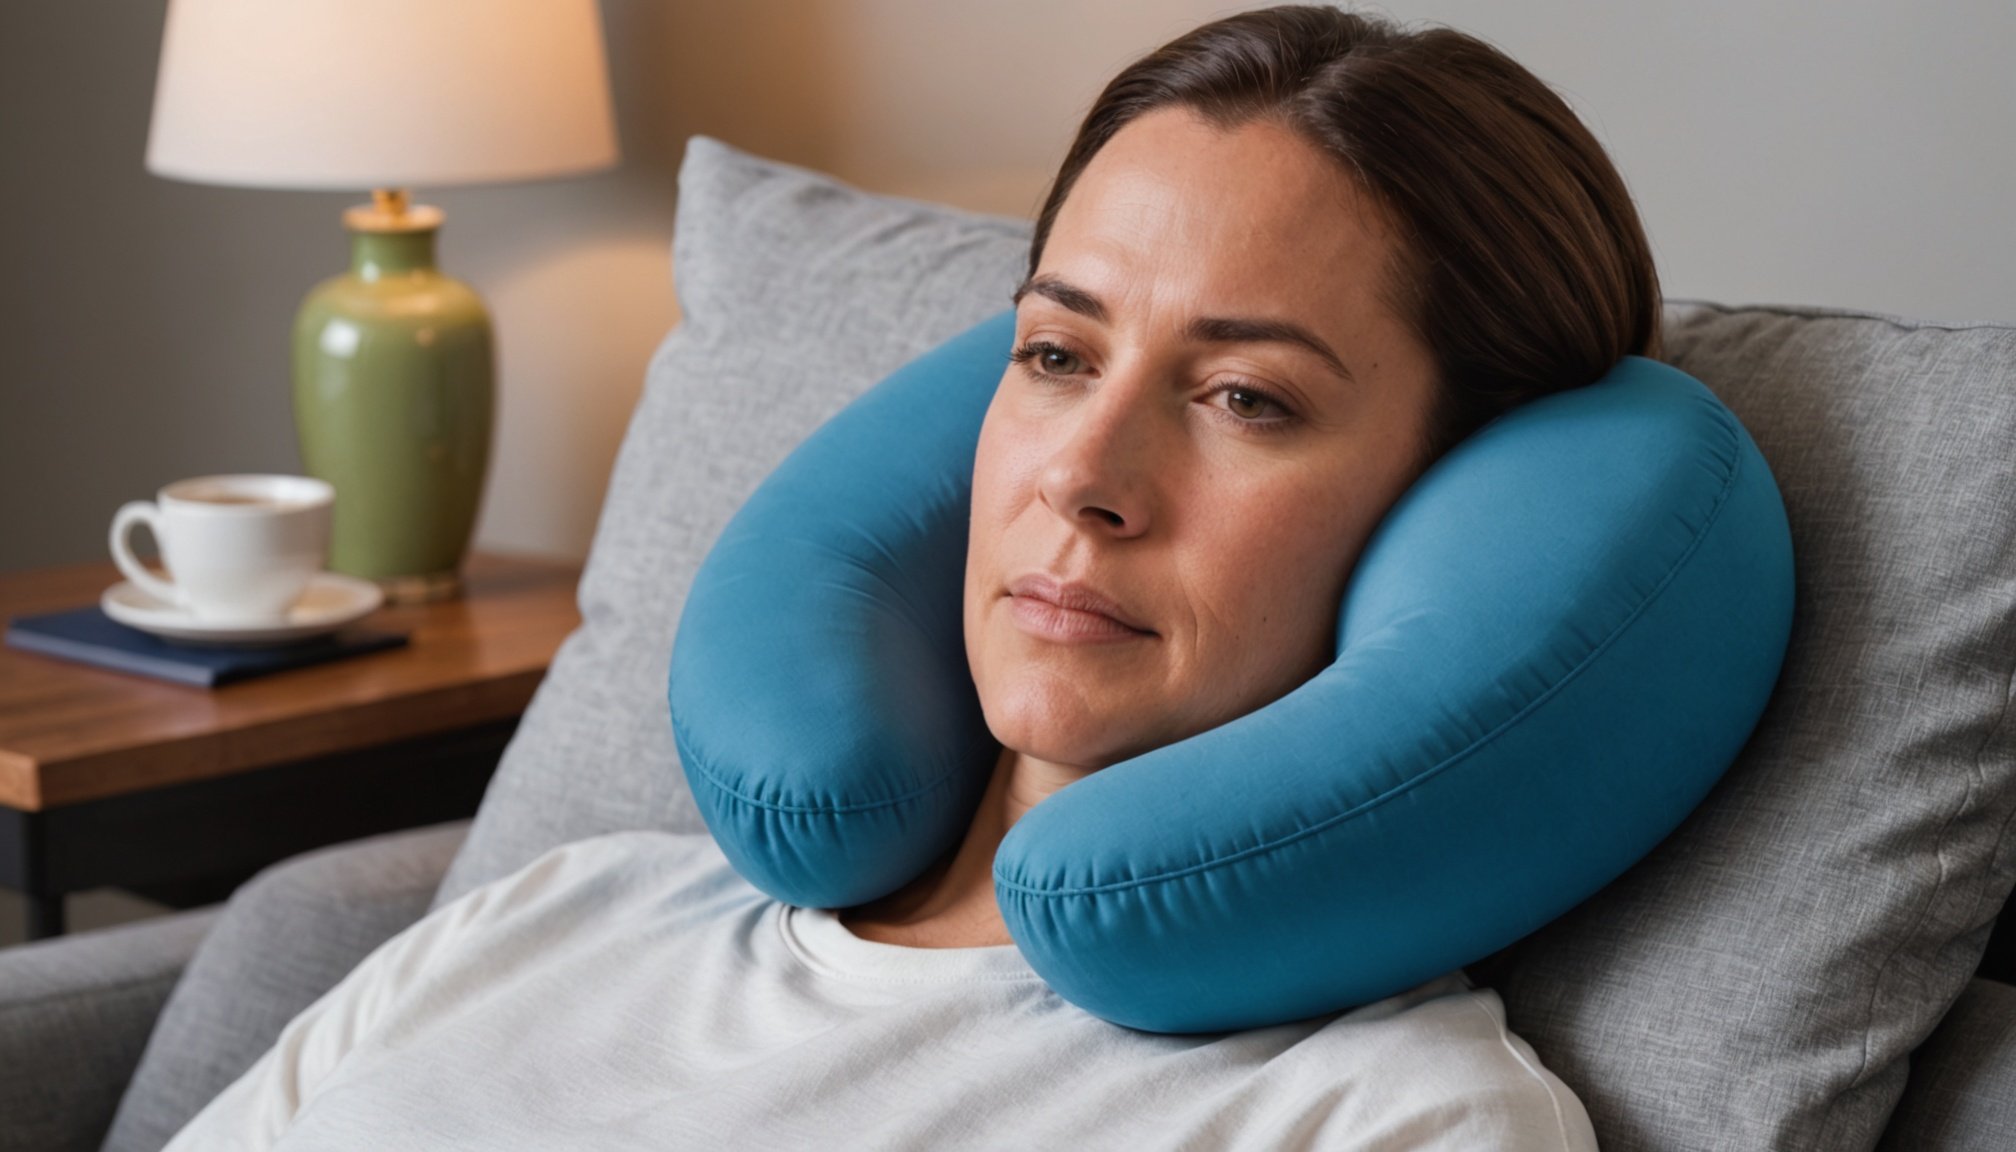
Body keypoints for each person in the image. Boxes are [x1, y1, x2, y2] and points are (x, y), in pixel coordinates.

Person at [165, 5, 1661, 1148]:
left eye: (1246, 398)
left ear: (1462, 506)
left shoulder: (1377, 1120)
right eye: (1057, 355)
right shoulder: (563, 912)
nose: (1081, 478)